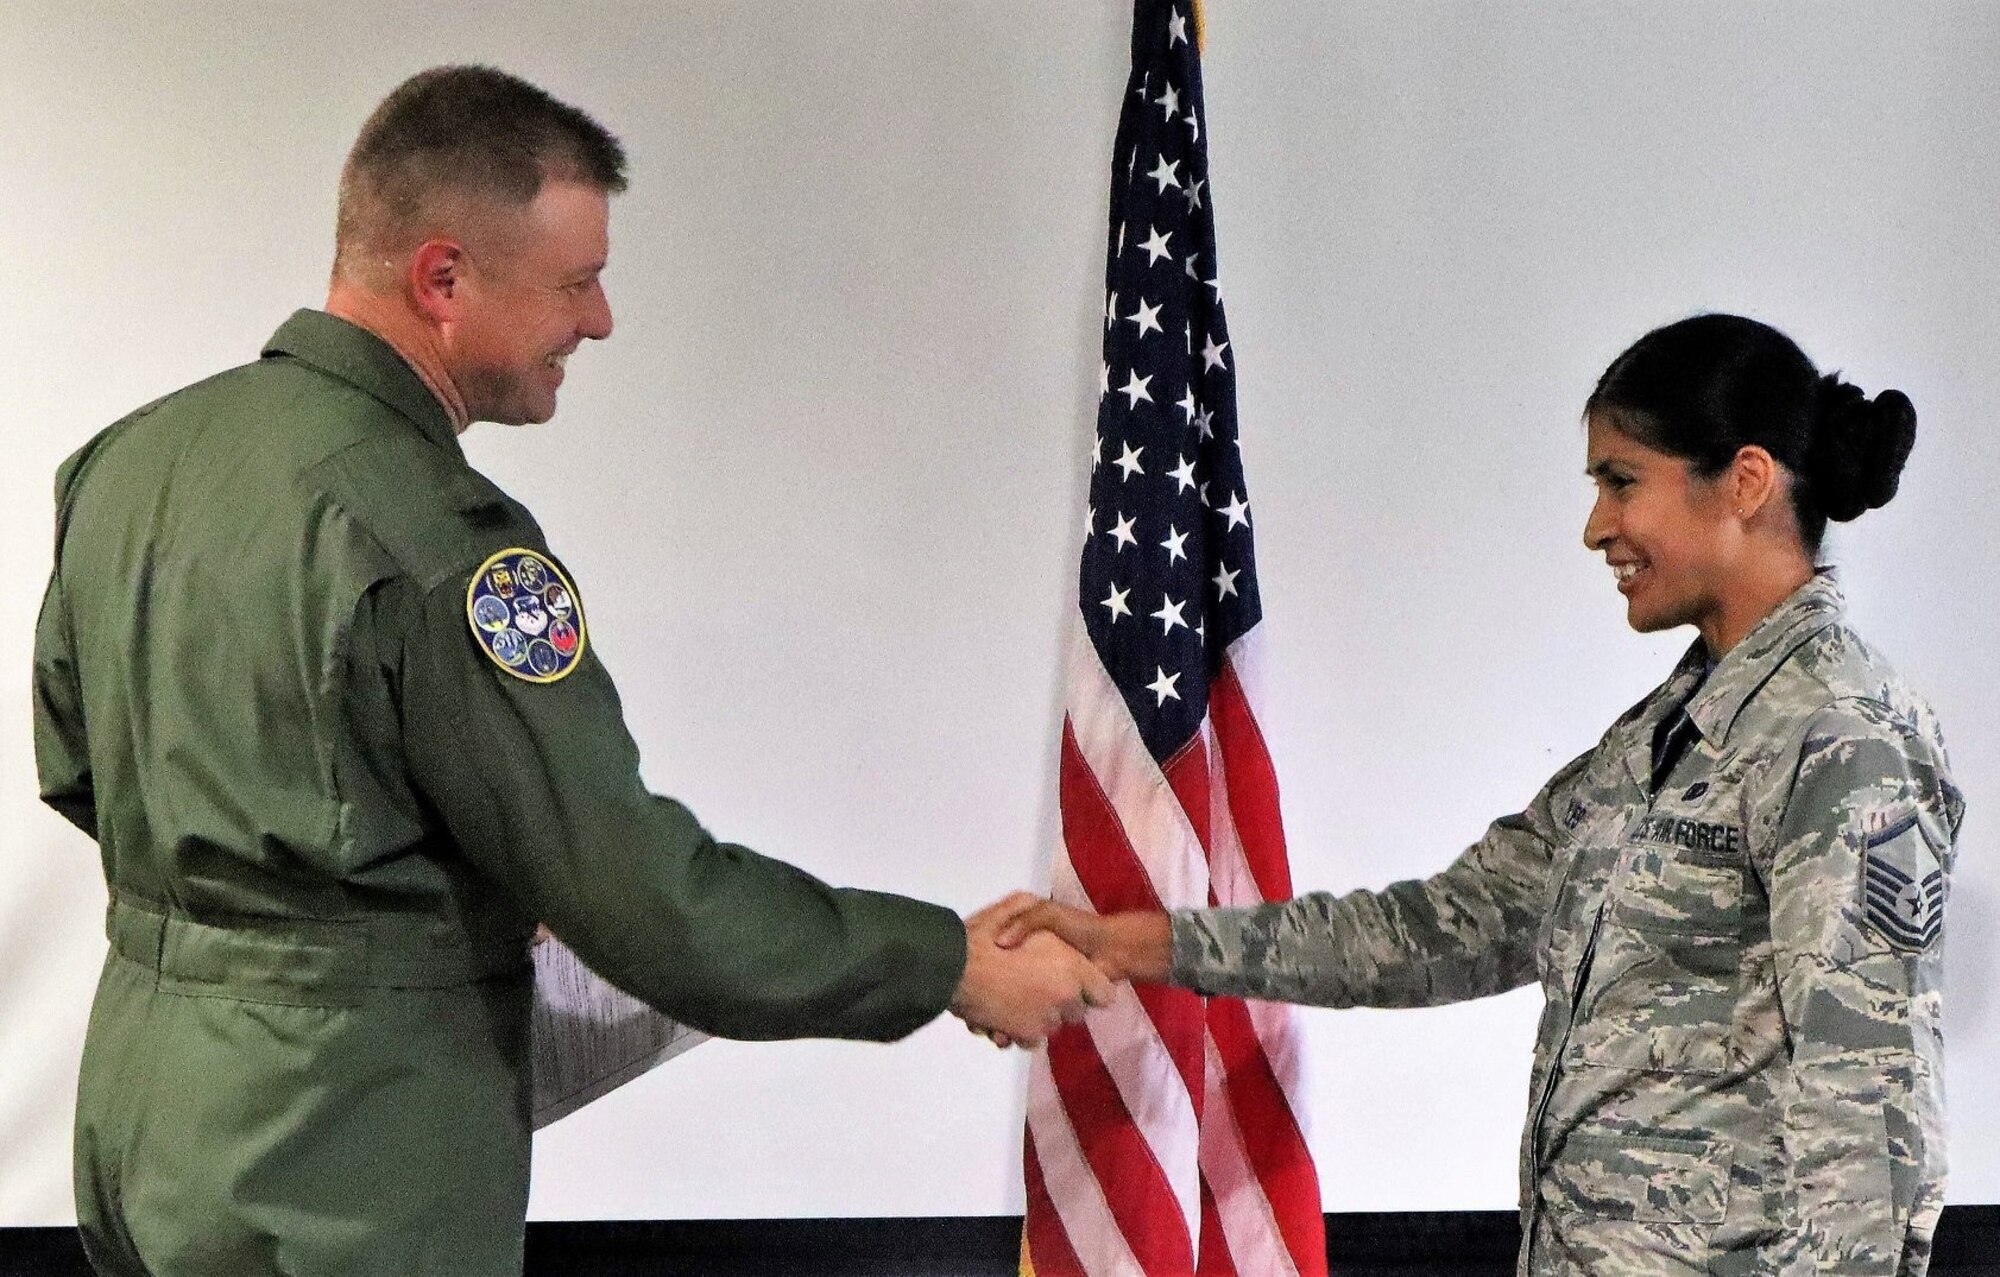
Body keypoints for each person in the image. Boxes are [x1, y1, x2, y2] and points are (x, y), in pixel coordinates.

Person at [32, 65, 1110, 1277]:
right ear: (442, 279)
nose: (597, 321)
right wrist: (945, 961)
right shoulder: (440, 540)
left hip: (144, 1123)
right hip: (338, 1156)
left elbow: (82, 770)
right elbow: (645, 903)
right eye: (577, 281)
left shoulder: (127, 464)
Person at [995, 313, 1961, 1275]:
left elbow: (1872, 1115)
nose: (1598, 528)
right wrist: (1144, 940)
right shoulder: (1657, 740)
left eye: (1623, 481)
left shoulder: (1844, 734)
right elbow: (1441, 929)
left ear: (1744, 482)